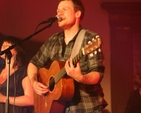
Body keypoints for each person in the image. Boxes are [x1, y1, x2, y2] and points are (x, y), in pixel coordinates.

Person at [27, 0, 108, 113]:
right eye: (58, 10)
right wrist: (34, 82)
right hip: (56, 107)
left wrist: (81, 78)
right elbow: (34, 63)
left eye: (64, 9)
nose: (59, 13)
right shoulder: (53, 40)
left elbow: (97, 74)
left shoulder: (90, 39)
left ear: (77, 14)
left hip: (85, 108)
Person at [0, 36, 34, 113]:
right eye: (2, 44)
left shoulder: (23, 71)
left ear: (16, 51)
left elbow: (30, 100)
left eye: (7, 45)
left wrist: (4, 99)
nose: (3, 46)